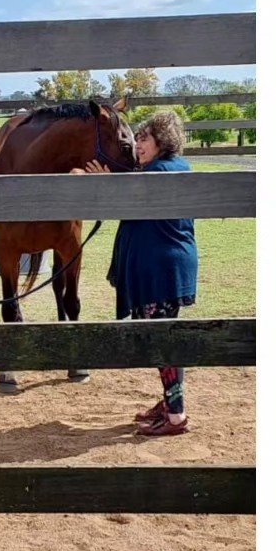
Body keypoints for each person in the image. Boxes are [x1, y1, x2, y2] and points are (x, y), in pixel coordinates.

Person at [84, 110, 198, 437]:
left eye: (144, 138)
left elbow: (129, 201)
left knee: (162, 344)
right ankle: (171, 403)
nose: (137, 144)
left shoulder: (159, 172)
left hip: (159, 272)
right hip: (166, 269)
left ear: (161, 141)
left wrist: (106, 186)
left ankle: (176, 415)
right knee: (165, 340)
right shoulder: (169, 167)